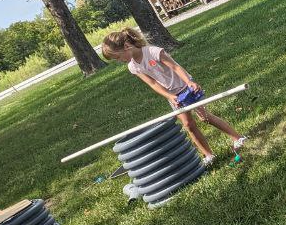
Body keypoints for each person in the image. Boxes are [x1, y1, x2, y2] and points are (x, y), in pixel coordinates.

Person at [101, 28, 246, 172]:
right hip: (172, 95)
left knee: (205, 117)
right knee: (188, 125)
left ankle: (237, 138)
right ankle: (208, 155)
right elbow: (152, 83)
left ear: (126, 47)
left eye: (118, 57)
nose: (119, 61)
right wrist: (170, 96)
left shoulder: (152, 52)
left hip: (186, 88)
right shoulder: (133, 67)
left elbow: (175, 67)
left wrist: (189, 83)